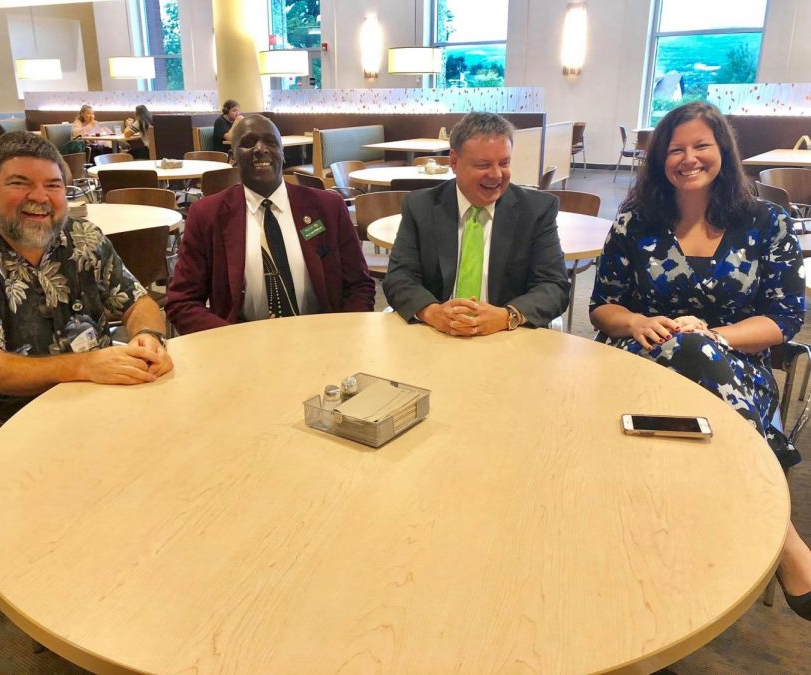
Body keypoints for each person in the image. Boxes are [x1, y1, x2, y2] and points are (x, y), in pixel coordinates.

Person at [589, 101, 811, 621]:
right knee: (686, 350)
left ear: (723, 152)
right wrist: (636, 323)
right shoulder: (635, 223)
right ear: (660, 160)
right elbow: (602, 307)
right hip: (638, 359)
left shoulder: (768, 223)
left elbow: (783, 320)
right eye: (676, 150)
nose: (688, 158)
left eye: (701, 146)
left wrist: (714, 337)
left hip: (738, 364)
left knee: (697, 351)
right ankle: (781, 536)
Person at [0, 131, 173, 464]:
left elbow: (138, 302)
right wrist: (87, 365)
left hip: (84, 383)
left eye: (53, 185)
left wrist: (147, 336)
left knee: (163, 430)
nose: (40, 197)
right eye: (20, 183)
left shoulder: (83, 237)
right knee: (61, 469)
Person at [166, 114, 375, 333]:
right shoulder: (207, 215)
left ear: (282, 153)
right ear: (233, 156)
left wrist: (344, 334)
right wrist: (233, 339)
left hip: (324, 338)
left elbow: (360, 285)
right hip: (243, 347)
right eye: (247, 143)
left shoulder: (328, 207)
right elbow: (182, 302)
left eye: (270, 142)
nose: (260, 149)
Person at [383, 111, 569, 336]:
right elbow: (399, 277)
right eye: (483, 165)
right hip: (435, 335)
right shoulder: (420, 206)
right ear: (454, 161)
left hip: (507, 337)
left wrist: (507, 316)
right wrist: (432, 312)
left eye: (504, 163)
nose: (496, 175)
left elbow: (554, 286)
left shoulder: (536, 210)